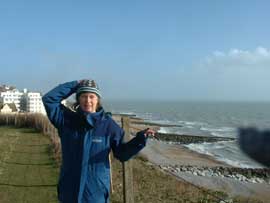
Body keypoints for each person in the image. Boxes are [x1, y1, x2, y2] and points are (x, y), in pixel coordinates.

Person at [42, 79, 155, 203]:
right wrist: (75, 85)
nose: (88, 100)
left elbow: (122, 153)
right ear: (78, 99)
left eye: (92, 96)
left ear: (98, 100)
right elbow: (49, 99)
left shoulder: (108, 125)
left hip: (95, 195)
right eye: (83, 96)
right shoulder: (67, 120)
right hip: (69, 193)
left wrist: (140, 139)